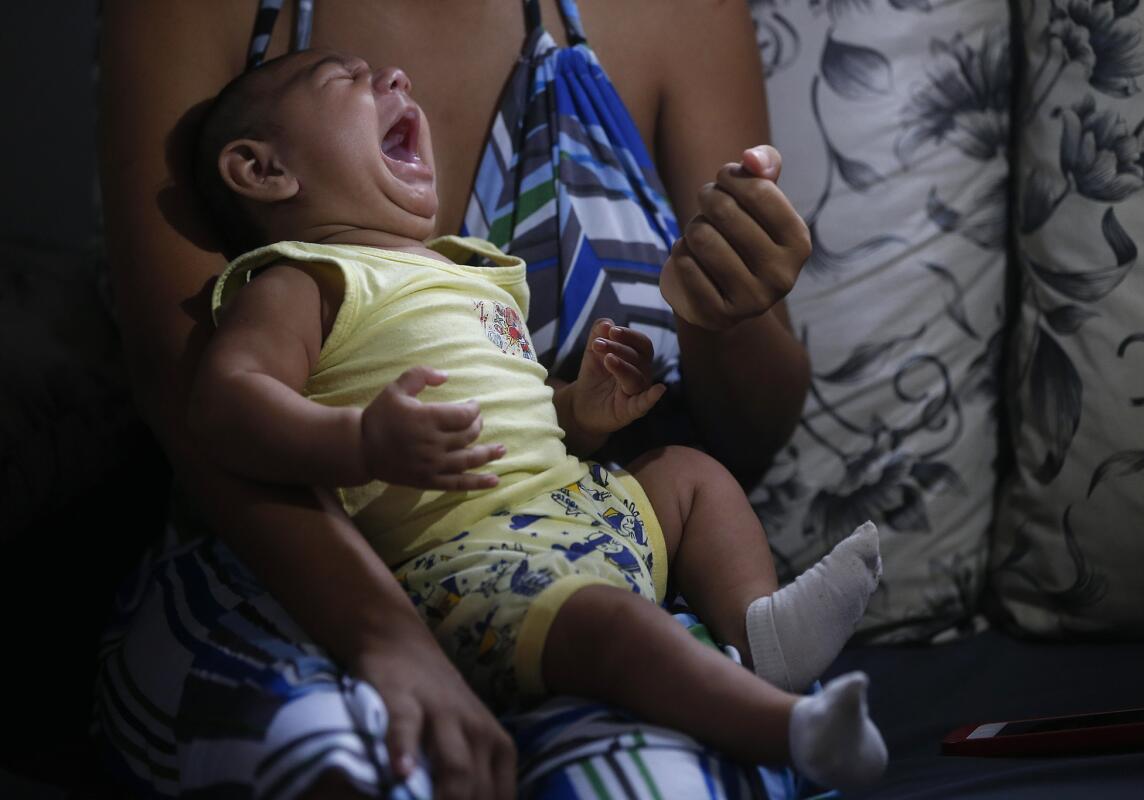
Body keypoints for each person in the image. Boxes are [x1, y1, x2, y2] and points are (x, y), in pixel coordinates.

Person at [98, 1, 815, 797]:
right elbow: (204, 400)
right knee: (344, 759)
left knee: (650, 769)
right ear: (261, 171)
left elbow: (527, 414)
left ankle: (773, 663)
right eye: (348, 75)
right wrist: (387, 626)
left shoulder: (468, 274)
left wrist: (692, 334)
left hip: (570, 548)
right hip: (312, 575)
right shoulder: (306, 276)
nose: (392, 79)